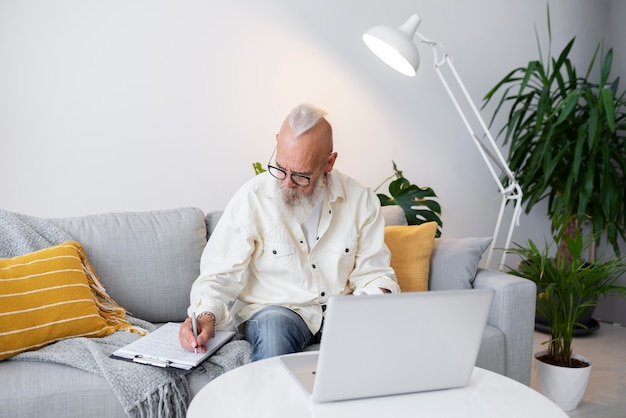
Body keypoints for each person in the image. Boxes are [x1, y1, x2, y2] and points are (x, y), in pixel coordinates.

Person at [179, 103, 399, 361]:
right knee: (273, 328)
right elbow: (218, 275)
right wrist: (205, 315)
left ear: (329, 162)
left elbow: (374, 274)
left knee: (385, 346)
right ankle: (275, 403)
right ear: (277, 143)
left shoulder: (360, 200)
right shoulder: (252, 198)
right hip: (277, 312)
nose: (285, 183)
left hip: (340, 313)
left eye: (301, 176)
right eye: (280, 168)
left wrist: (373, 299)